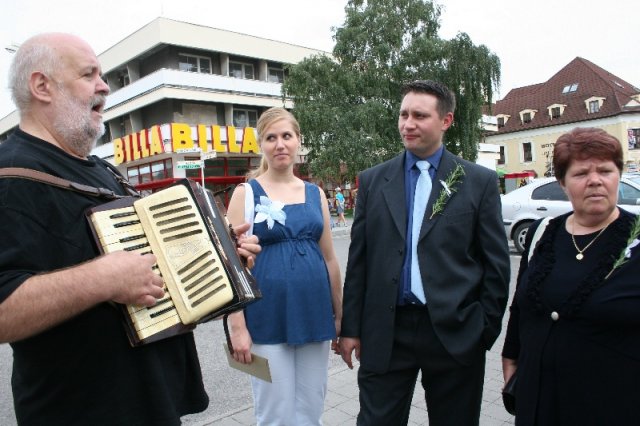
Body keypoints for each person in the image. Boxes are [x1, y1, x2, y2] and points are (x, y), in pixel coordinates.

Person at [0, 33, 260, 426]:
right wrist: (101, 279)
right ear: (42, 86)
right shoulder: (11, 176)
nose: (104, 86)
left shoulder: (105, 172)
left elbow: (155, 272)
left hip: (151, 405)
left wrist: (223, 258)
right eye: (89, 74)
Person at [339, 80, 510, 425]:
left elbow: (496, 266)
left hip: (454, 332)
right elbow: (359, 262)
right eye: (403, 114)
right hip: (386, 331)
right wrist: (351, 328)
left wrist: (482, 330)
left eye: (419, 116)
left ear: (446, 121)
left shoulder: (478, 182)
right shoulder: (373, 181)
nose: (408, 124)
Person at [502, 127, 640, 425]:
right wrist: (510, 357)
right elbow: (521, 307)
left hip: (613, 402)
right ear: (563, 183)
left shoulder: (636, 240)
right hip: (539, 399)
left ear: (618, 175)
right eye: (581, 173)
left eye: (605, 170)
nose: (595, 180)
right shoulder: (542, 233)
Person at [225, 107, 343, 425]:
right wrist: (237, 327)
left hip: (314, 313)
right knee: (275, 414)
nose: (280, 144)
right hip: (266, 317)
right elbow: (230, 268)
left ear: (298, 140)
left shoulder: (315, 194)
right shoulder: (245, 194)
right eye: (271, 138)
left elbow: (330, 259)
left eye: (286, 136)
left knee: (310, 410)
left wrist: (340, 314)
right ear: (261, 145)